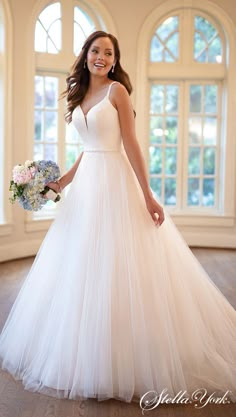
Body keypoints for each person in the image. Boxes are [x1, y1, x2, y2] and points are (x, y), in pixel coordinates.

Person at [0, 30, 235, 405]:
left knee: (119, 263)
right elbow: (88, 149)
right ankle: (83, 350)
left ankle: (126, 355)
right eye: (96, 50)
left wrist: (147, 195)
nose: (102, 57)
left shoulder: (116, 92)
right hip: (87, 187)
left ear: (114, 60)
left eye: (109, 53)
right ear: (86, 53)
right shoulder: (80, 94)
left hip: (115, 183)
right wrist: (61, 182)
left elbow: (130, 143)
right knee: (80, 265)